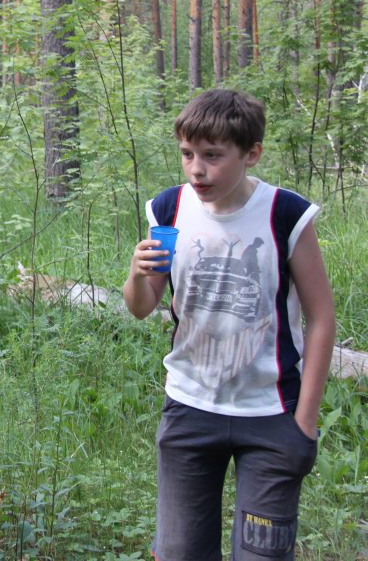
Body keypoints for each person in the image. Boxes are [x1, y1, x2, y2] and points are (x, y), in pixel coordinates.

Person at [122, 89, 335, 560]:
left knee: (262, 554)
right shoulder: (169, 210)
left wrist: (305, 421)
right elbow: (141, 306)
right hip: (190, 409)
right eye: (187, 154)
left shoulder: (286, 214)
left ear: (251, 153)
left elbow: (321, 318)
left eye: (212, 156)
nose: (196, 169)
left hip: (273, 415)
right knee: (180, 552)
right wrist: (136, 275)